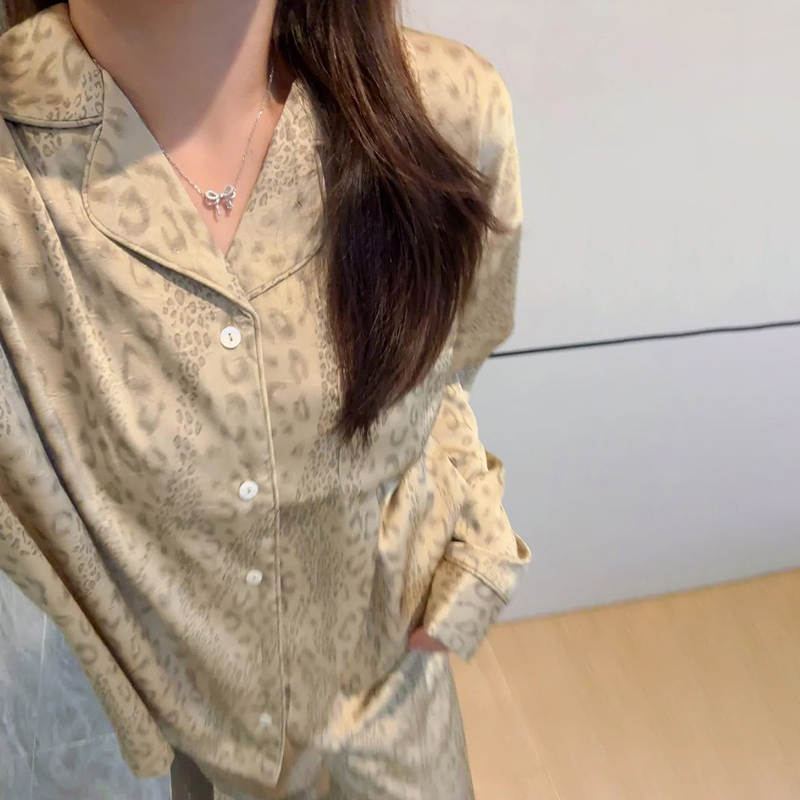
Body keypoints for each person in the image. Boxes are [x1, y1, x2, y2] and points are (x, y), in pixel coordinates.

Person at [0, 1, 530, 797]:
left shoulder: (447, 109)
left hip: (392, 711)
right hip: (172, 753)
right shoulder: (19, 193)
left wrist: (473, 542)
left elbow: (449, 371)